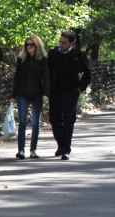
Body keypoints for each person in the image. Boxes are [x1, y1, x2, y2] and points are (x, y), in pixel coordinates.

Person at [48, 30, 91, 160]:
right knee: (54, 119)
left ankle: (66, 149)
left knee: (68, 120)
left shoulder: (78, 55)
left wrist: (80, 89)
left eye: (64, 43)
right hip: (55, 92)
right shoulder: (53, 54)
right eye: (60, 42)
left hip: (71, 92)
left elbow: (87, 74)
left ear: (71, 43)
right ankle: (61, 144)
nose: (61, 45)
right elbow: (47, 72)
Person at [11, 35, 50, 160]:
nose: (28, 47)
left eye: (31, 45)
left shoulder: (43, 59)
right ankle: (21, 150)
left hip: (37, 93)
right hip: (23, 93)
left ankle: (33, 149)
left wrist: (46, 93)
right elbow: (17, 78)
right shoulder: (21, 59)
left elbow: (46, 77)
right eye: (27, 45)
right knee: (22, 121)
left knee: (35, 122)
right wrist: (14, 95)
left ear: (37, 46)